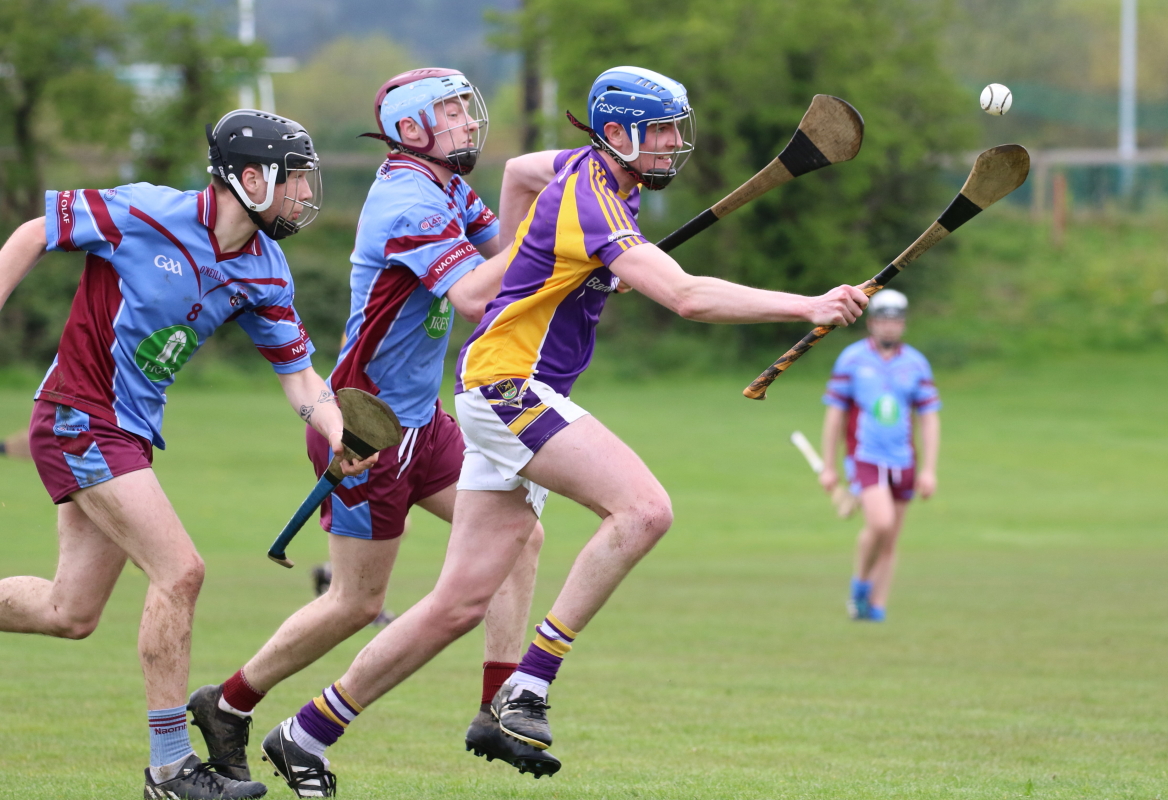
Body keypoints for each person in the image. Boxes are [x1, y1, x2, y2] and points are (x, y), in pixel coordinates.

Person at [257, 65, 868, 796]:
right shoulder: (591, 194)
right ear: (616, 134)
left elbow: (518, 168)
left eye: (678, 129)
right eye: (661, 132)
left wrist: (537, 256)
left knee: (455, 606)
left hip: (496, 389)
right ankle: (529, 686)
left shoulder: (592, 174)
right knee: (643, 510)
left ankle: (306, 733)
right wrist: (808, 305)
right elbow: (683, 295)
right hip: (508, 387)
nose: (675, 145)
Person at [185, 71, 558, 796]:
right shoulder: (408, 200)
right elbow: (482, 294)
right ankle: (228, 703)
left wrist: (595, 250)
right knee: (355, 603)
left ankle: (495, 707)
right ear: (411, 129)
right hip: (364, 428)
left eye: (463, 109)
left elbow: (509, 251)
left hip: (425, 422)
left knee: (521, 535)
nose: (465, 122)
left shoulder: (448, 189)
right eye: (448, 112)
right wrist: (566, 232)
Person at [0, 110, 375, 800]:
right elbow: (35, 230)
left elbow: (298, 378)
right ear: (249, 177)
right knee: (181, 572)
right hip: (79, 418)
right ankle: (170, 770)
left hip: (130, 435)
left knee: (69, 612)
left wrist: (336, 431)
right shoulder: (146, 211)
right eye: (292, 181)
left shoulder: (265, 269)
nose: (303, 196)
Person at [818, 289, 941, 622]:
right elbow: (835, 415)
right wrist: (829, 465)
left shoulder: (915, 363)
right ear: (871, 323)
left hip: (903, 459)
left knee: (890, 539)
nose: (890, 327)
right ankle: (860, 584)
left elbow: (929, 418)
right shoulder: (853, 359)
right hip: (866, 456)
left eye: (896, 321)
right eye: (883, 320)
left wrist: (929, 469)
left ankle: (875, 607)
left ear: (903, 324)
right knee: (881, 523)